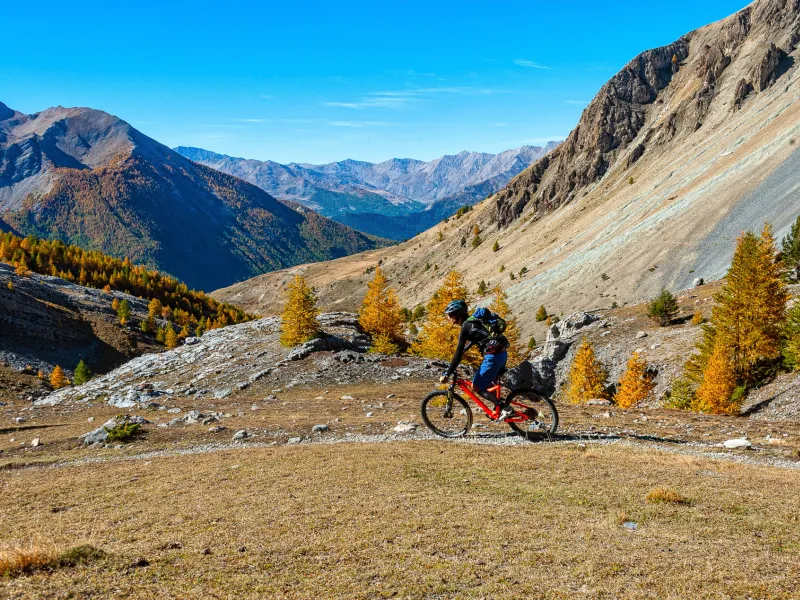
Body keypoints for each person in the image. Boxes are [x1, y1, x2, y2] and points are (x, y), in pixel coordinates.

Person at [438, 299, 514, 421]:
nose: (449, 318)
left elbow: (457, 354)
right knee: (490, 385)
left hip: (493, 357)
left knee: (476, 387)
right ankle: (498, 409)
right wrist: (465, 350)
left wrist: (448, 372)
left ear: (457, 314)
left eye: (450, 315)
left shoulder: (465, 327)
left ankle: (504, 407)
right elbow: (479, 337)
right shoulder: (475, 321)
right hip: (502, 354)